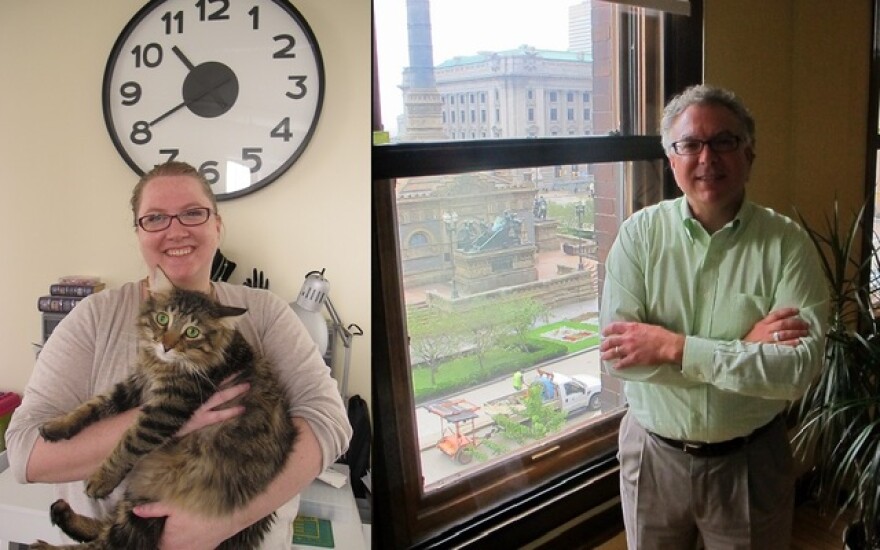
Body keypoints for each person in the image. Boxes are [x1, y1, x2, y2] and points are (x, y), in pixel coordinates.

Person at [6, 161, 352, 549]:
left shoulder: (266, 312)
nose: (175, 229)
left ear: (217, 225)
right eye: (155, 218)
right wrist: (173, 419)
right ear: (138, 232)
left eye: (192, 213)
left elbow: (330, 421)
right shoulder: (93, 317)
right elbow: (24, 454)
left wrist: (220, 520)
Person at [598, 85, 829, 549]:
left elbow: (797, 373)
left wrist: (672, 347)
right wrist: (744, 351)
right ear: (671, 158)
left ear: (749, 155)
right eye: (690, 144)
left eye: (724, 141)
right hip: (652, 456)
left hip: (749, 462)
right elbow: (620, 360)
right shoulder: (638, 237)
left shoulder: (787, 245)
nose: (707, 158)